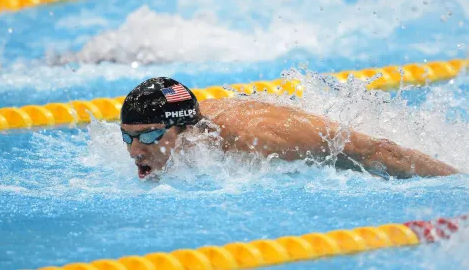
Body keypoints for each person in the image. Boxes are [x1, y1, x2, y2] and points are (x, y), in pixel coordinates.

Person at [120, 77, 459, 180]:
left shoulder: (261, 139)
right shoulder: (179, 134)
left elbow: (376, 151)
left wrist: (455, 181)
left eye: (149, 136)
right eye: (128, 137)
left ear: (187, 131)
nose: (136, 150)